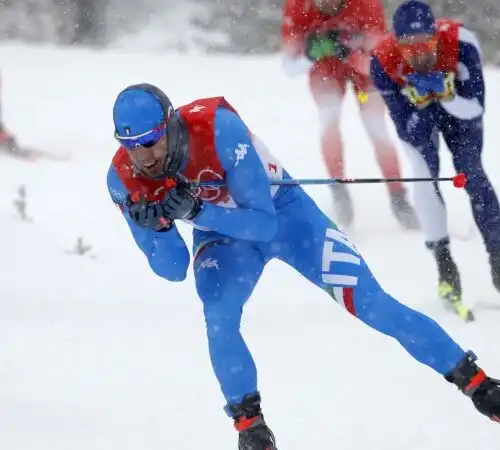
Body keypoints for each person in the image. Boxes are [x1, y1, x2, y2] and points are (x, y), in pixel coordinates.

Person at [106, 83, 500, 450]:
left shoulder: (216, 127)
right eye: (131, 146)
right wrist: (156, 228)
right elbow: (173, 269)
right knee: (219, 318)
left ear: (171, 125)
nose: (145, 156)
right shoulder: (123, 180)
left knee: (371, 304)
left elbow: (263, 224)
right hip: (223, 239)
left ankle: (479, 385)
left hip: (287, 216)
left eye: (151, 141)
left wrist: (195, 209)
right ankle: (250, 428)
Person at [370, 0, 500, 320]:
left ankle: (498, 259)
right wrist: (421, 103)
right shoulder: (382, 61)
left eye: (424, 44)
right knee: (424, 176)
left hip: (460, 112)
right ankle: (445, 267)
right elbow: (408, 131)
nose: (417, 54)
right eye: (407, 47)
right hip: (420, 117)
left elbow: (474, 108)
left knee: (472, 172)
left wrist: (448, 95)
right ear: (396, 43)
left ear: (436, 37)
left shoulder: (462, 43)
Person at [280, 0, 418, 229]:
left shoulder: (366, 6)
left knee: (376, 126)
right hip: (325, 70)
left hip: (363, 72)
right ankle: (339, 190)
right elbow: (288, 67)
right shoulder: (297, 8)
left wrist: (350, 54)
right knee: (329, 119)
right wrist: (311, 55)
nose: (326, 4)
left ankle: (398, 197)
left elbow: (380, 64)